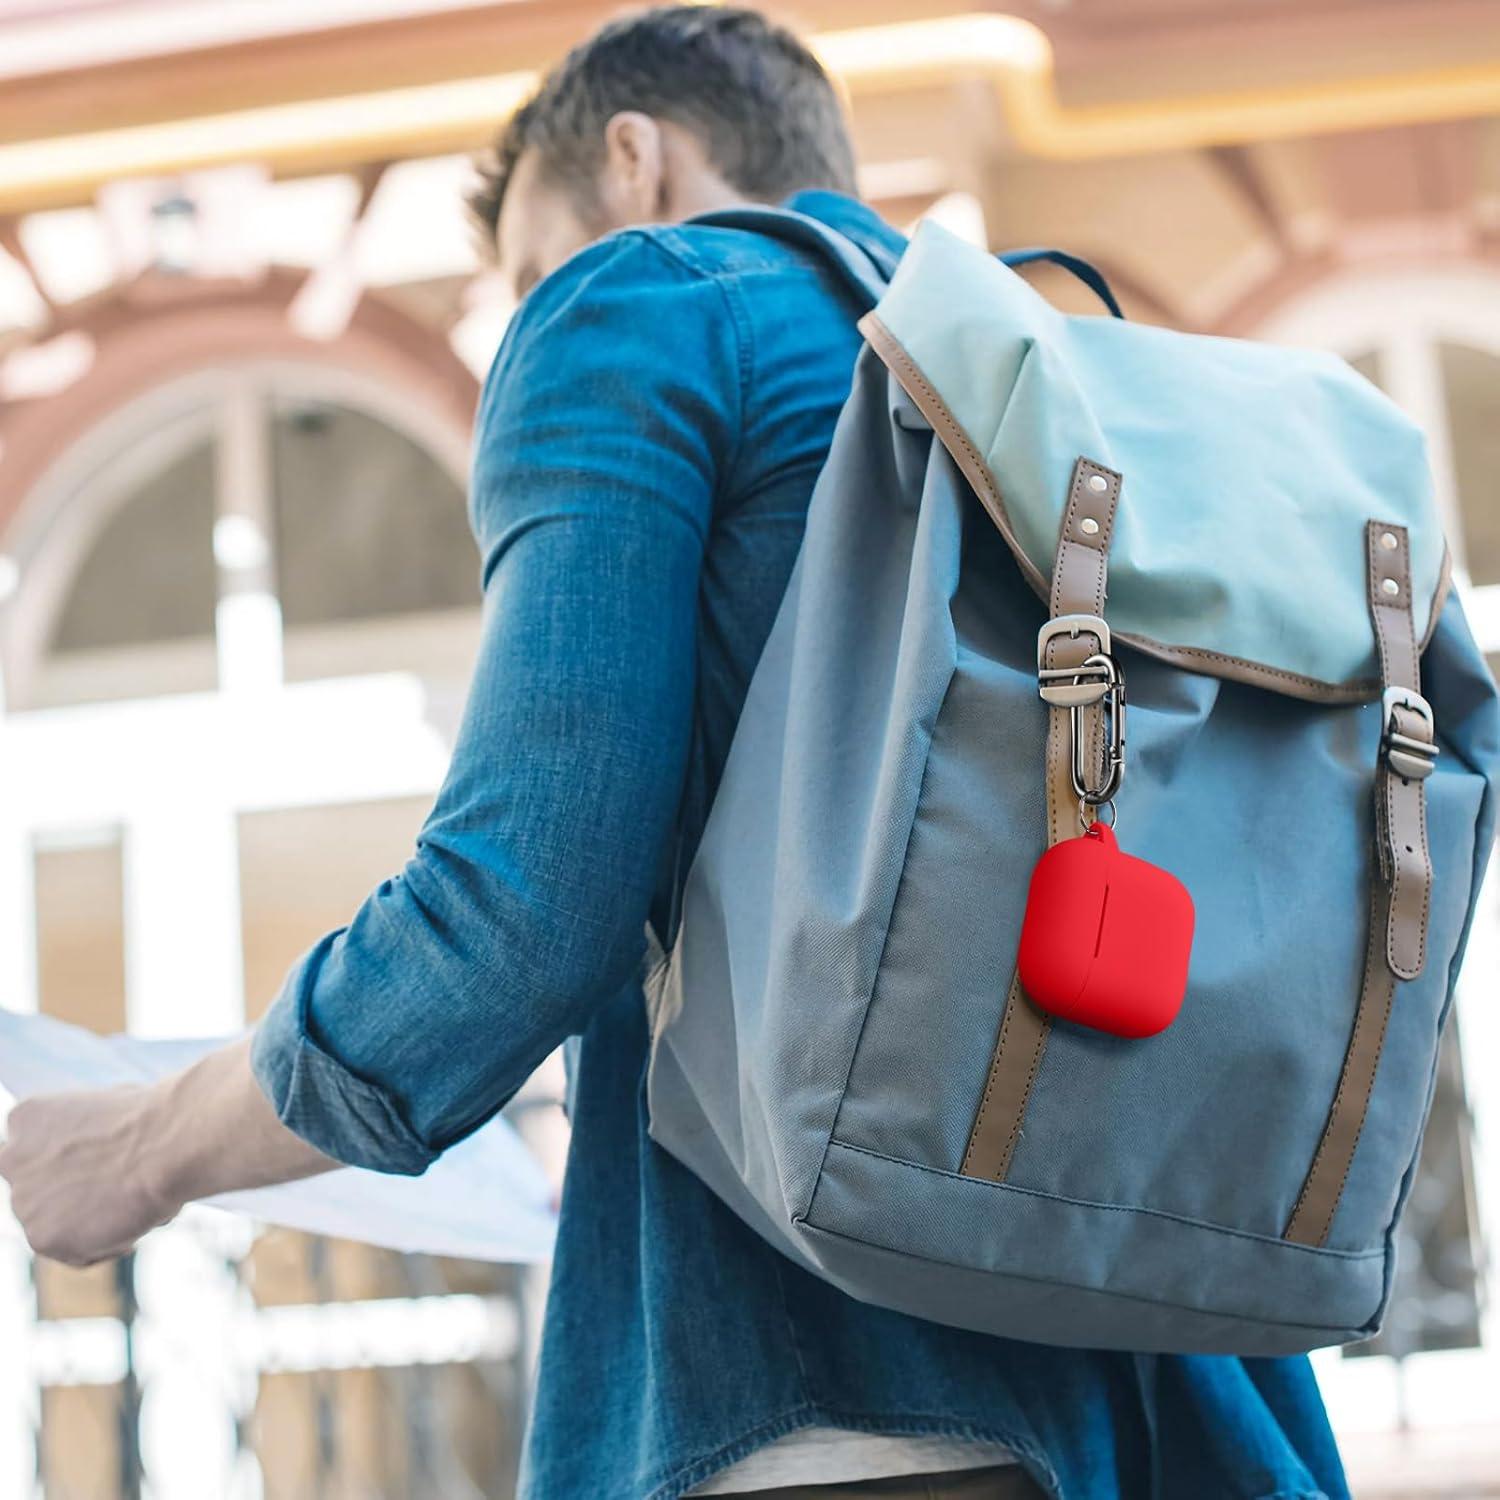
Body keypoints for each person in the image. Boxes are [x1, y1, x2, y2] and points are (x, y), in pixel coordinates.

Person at [0, 8, 1352, 1498]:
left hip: (830, 1420)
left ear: (634, 160)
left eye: (525, 270)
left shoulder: (638, 303)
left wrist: (144, 1147)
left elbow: (523, 909)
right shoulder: (1048, 390)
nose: (524, 313)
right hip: (1191, 1415)